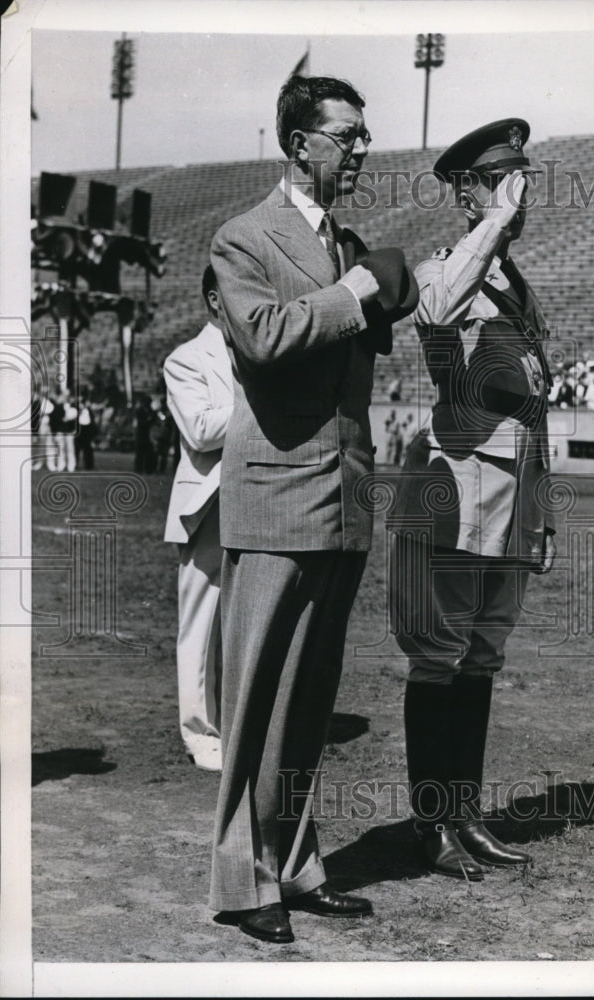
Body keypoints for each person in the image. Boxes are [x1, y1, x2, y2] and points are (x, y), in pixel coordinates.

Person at [208, 74, 418, 944]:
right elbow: (264, 337)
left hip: (340, 499)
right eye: (346, 134)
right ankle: (238, 877)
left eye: (363, 134)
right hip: (273, 497)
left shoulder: (346, 241)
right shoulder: (241, 237)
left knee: (309, 702)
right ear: (301, 145)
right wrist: (364, 291)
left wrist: (384, 283)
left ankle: (293, 863)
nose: (362, 147)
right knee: (256, 699)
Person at [388, 119, 556, 880]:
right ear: (466, 193)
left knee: (481, 660)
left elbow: (533, 407)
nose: (516, 195)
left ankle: (464, 815)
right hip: (453, 494)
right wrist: (489, 222)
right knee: (439, 658)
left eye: (520, 178)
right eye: (498, 181)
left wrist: (541, 513)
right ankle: (430, 827)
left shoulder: (514, 283)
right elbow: (435, 316)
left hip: (508, 501)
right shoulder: (443, 268)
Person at [163, 266, 234, 772]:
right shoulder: (186, 358)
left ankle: (237, 726)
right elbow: (203, 430)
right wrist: (266, 399)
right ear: (214, 298)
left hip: (263, 500)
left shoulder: (261, 355)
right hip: (209, 507)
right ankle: (200, 733)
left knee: (245, 624)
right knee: (202, 624)